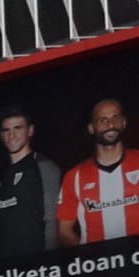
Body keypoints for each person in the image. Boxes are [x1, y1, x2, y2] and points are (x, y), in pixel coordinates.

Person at [57, 98, 139, 246]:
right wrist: (90, 261)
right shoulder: (74, 176)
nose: (110, 125)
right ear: (91, 128)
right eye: (103, 120)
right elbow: (64, 231)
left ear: (124, 122)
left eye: (116, 118)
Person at [0, 105, 60, 258]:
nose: (11, 135)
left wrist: (50, 266)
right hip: (8, 272)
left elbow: (52, 222)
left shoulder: (44, 167)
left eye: (18, 128)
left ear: (30, 131)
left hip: (37, 268)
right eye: (6, 130)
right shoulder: (0, 176)